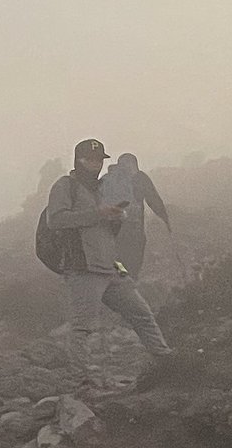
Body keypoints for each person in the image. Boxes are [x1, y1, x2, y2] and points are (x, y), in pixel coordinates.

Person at [43, 138, 171, 378]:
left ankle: (166, 360)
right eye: (88, 160)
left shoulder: (102, 188)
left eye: (98, 160)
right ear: (78, 161)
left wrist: (114, 218)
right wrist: (97, 213)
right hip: (83, 268)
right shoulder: (64, 186)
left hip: (111, 266)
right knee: (83, 327)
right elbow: (56, 220)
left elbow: (102, 228)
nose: (94, 165)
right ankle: (80, 381)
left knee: (141, 313)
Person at [99, 150, 173, 273]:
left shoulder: (106, 179)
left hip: (110, 230)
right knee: (133, 261)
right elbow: (154, 200)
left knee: (117, 259)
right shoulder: (139, 178)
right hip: (134, 229)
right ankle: (129, 279)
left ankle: (120, 275)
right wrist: (165, 219)